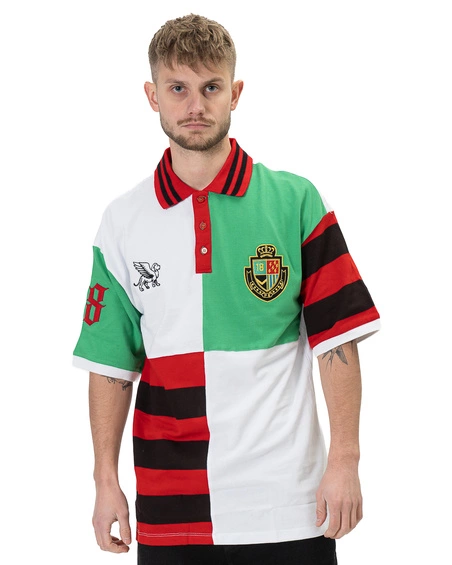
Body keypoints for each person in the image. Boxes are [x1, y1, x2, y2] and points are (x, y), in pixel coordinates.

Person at [73, 13, 380, 565]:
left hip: (289, 503)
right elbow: (111, 365)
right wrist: (104, 481)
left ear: (235, 93)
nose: (195, 105)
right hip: (172, 509)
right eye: (178, 88)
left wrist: (346, 460)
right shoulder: (122, 221)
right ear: (152, 96)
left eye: (211, 87)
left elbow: (337, 340)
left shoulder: (296, 201)